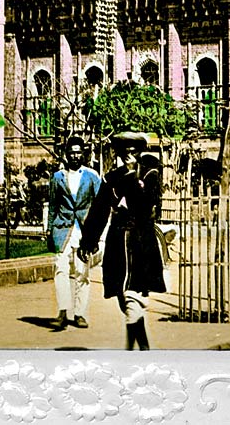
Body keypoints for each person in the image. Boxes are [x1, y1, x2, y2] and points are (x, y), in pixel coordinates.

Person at [78, 132, 167, 350]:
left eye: (133, 152)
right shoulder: (111, 178)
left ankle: (135, 351)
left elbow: (145, 204)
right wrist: (88, 241)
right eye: (124, 153)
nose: (129, 157)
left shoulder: (150, 172)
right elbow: (99, 210)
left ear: (140, 152)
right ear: (118, 154)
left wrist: (131, 176)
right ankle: (141, 349)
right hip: (118, 241)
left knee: (132, 296)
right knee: (124, 298)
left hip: (141, 240)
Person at [47, 134, 102, 330]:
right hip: (63, 230)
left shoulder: (92, 176)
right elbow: (53, 206)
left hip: (84, 232)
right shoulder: (57, 177)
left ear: (83, 154)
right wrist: (49, 230)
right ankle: (62, 312)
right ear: (66, 154)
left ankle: (79, 313)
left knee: (82, 272)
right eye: (72, 153)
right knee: (61, 270)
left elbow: (100, 207)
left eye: (79, 153)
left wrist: (95, 235)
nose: (75, 157)